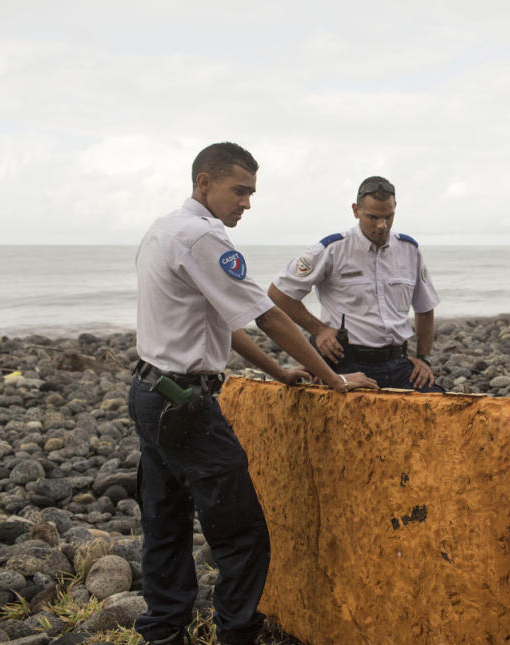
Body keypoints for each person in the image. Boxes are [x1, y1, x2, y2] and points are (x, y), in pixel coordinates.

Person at [128, 142, 377, 645]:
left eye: (251, 193)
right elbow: (268, 315)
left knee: (166, 523)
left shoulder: (162, 229)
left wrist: (279, 372)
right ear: (204, 183)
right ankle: (237, 635)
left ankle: (162, 631)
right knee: (242, 535)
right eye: (239, 191)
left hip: (150, 392)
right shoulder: (202, 239)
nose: (246, 203)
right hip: (186, 406)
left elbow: (222, 321)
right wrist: (333, 380)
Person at [269, 176, 443, 392]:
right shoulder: (332, 249)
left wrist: (423, 359)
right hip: (348, 363)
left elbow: (425, 308)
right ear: (355, 210)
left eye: (389, 216)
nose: (382, 225)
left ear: (395, 208)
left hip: (399, 363)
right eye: (373, 217)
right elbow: (279, 294)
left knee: (440, 407)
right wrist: (319, 330)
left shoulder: (409, 249)